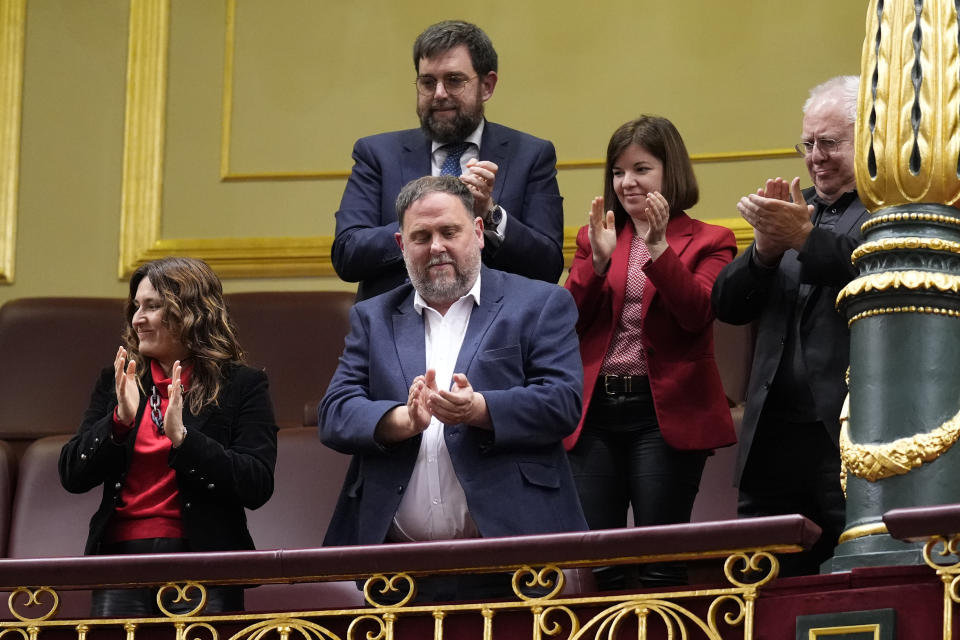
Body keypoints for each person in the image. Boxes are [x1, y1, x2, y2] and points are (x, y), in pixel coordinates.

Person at [321, 175, 586, 601]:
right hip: (393, 570)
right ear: (401, 245)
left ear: (478, 233)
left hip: (514, 561)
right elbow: (335, 412)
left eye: (450, 231)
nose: (437, 246)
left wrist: (480, 409)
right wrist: (400, 419)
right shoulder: (374, 316)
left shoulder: (539, 303)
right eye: (421, 236)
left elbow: (562, 402)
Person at [564, 116, 737, 589]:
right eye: (618, 172)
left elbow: (696, 314)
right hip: (595, 412)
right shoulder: (595, 236)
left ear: (670, 171)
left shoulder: (710, 240)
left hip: (665, 413)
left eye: (641, 168)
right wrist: (595, 264)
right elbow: (566, 323)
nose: (627, 182)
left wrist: (659, 248)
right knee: (598, 563)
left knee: (660, 561)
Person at [711, 75, 869, 576]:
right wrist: (764, 248)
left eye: (830, 143)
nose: (816, 156)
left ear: (864, 138)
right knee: (766, 580)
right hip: (773, 437)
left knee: (850, 576)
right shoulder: (793, 214)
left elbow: (869, 271)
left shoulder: (885, 209)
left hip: (845, 432)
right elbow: (728, 305)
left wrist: (803, 237)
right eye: (808, 143)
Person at [59, 257, 278, 616]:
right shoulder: (119, 380)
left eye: (152, 306)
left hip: (204, 565)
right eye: (136, 307)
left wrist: (185, 440)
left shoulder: (242, 385)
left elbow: (257, 484)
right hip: (119, 562)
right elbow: (72, 474)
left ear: (190, 312)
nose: (137, 319)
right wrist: (119, 420)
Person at [332, 20, 565, 301]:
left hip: (495, 332)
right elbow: (347, 253)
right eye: (428, 82)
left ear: (487, 86)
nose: (439, 94)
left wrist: (490, 215)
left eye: (454, 80)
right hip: (397, 331)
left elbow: (548, 266)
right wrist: (422, 226)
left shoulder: (530, 155)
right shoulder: (378, 154)